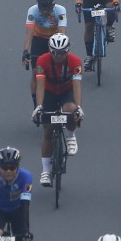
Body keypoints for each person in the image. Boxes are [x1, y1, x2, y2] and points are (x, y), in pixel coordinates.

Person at [32, 33, 85, 184]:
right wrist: (39, 107)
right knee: (48, 130)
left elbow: (77, 87)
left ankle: (70, 135)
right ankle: (46, 171)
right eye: (54, 52)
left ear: (67, 50)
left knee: (70, 109)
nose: (58, 56)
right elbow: (40, 86)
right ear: (50, 50)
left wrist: (79, 107)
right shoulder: (42, 61)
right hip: (49, 92)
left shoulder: (75, 62)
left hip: (66, 91)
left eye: (61, 52)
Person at [22, 0, 68, 105]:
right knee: (35, 72)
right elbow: (29, 33)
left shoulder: (60, 10)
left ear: (53, 6)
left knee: (59, 71)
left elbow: (62, 32)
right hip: (39, 39)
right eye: (42, 9)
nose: (45, 11)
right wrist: (26, 51)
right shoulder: (32, 11)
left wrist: (61, 49)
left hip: (55, 39)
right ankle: (36, 105)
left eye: (47, 8)